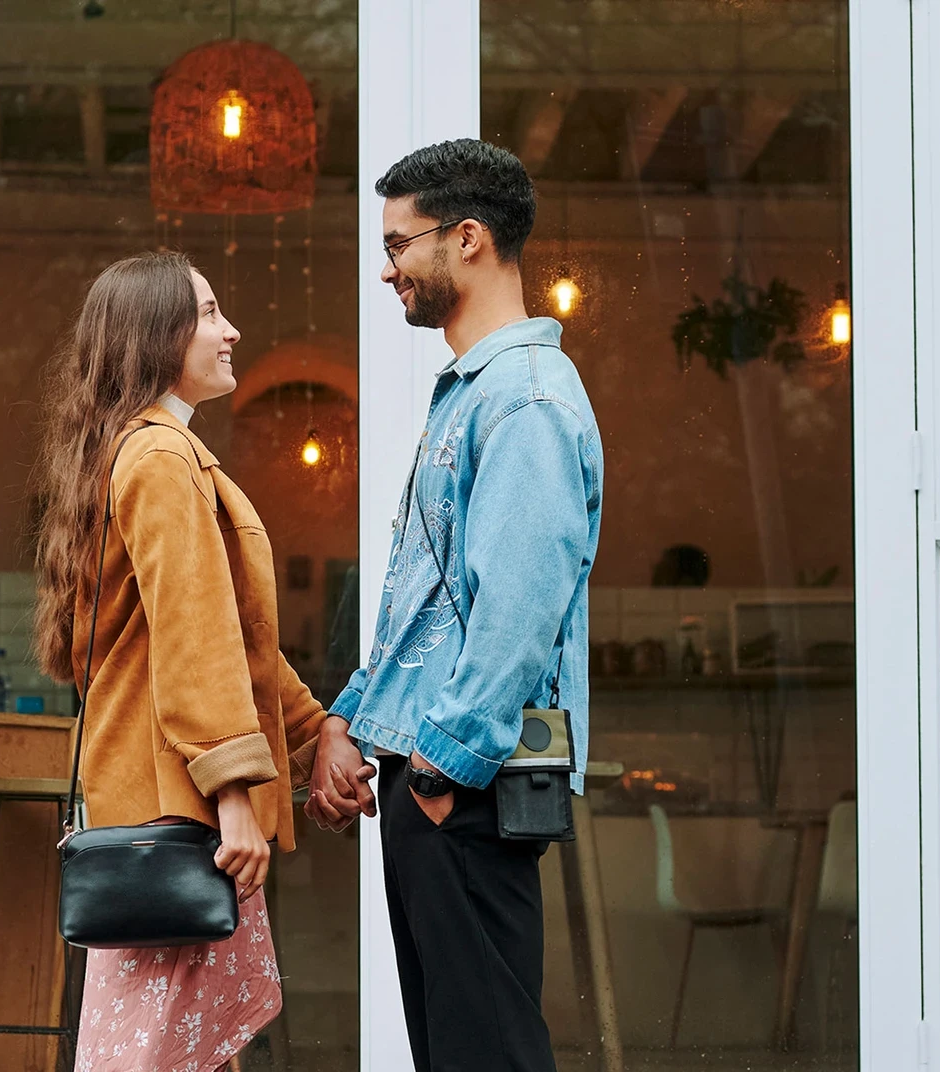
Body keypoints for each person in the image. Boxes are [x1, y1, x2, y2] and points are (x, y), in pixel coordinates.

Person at [305, 139, 604, 1072]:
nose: (386, 268)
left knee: (488, 1053)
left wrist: (437, 773)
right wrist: (351, 721)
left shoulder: (523, 402)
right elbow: (429, 604)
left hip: (465, 787)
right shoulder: (473, 396)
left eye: (400, 243)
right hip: (437, 778)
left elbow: (518, 608)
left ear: (467, 239)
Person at [31, 251, 331, 1072]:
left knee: (181, 1052)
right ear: (156, 335)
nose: (230, 329)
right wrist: (236, 797)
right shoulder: (161, 460)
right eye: (206, 313)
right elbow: (194, 641)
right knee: (158, 1056)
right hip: (184, 814)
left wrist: (316, 733)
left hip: (159, 806)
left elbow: (239, 642)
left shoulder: (147, 452)